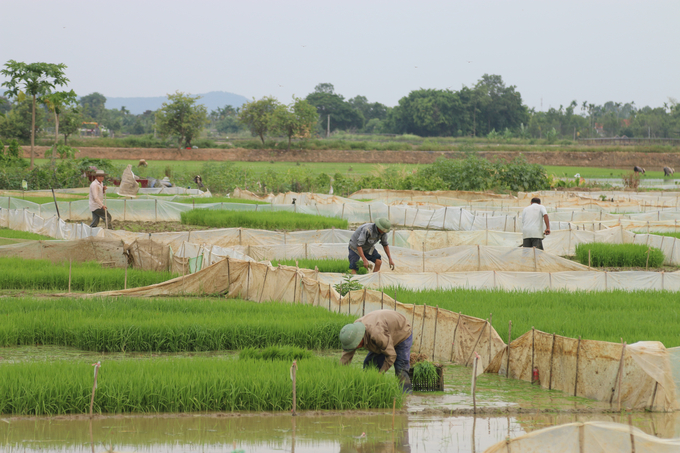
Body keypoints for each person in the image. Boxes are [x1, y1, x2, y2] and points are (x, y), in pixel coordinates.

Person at [340, 309, 413, 393]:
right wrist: (341, 376)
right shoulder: (352, 332)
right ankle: (369, 390)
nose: (354, 348)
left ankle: (406, 397)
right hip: (385, 333)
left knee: (401, 368)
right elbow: (345, 358)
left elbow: (391, 355)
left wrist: (380, 374)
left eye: (355, 345)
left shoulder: (377, 334)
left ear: (359, 340)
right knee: (370, 364)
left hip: (401, 331)